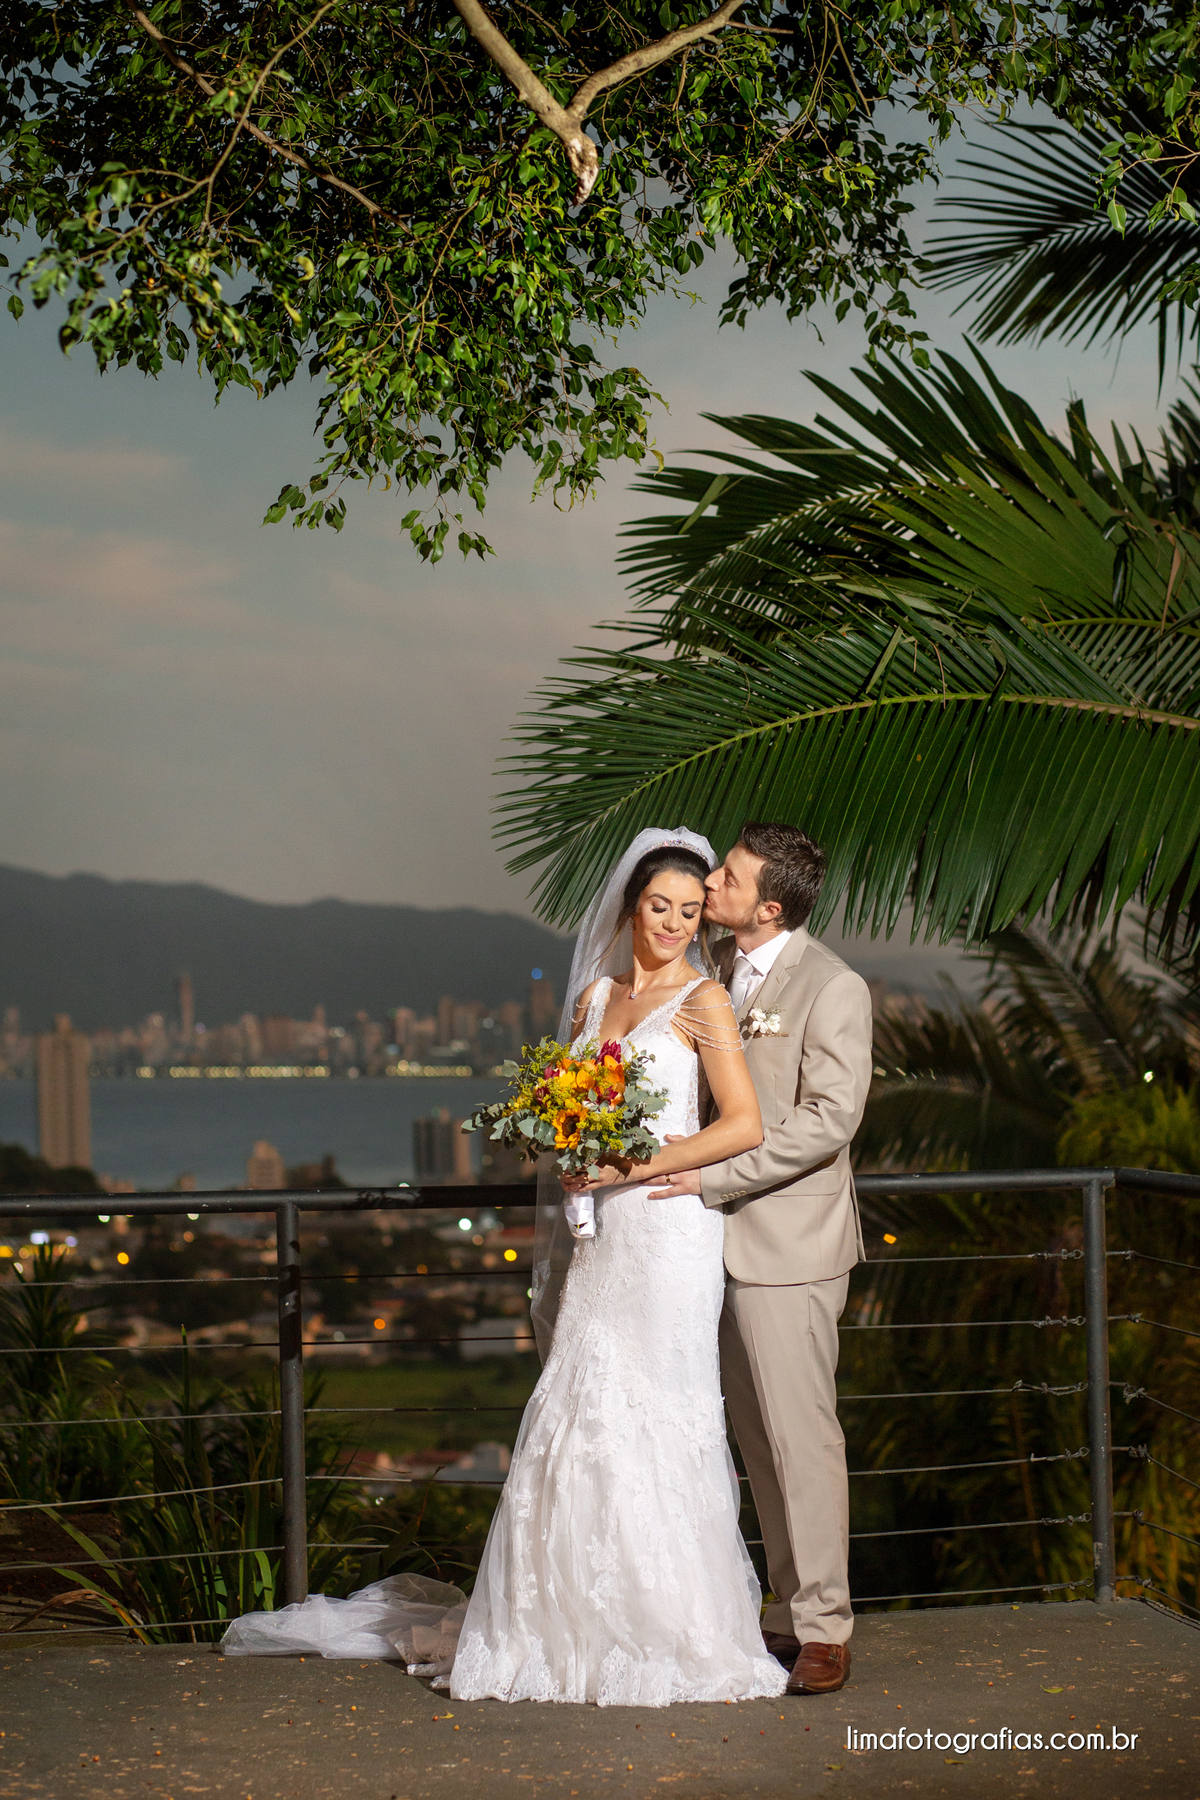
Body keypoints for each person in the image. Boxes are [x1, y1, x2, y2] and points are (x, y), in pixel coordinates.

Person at [222, 828, 787, 1708]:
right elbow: (574, 1112)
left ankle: (675, 1630)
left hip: (670, 1235)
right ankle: (553, 1626)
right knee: (579, 1397)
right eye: (657, 907)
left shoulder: (704, 1001)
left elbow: (744, 1124)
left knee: (664, 1414)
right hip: (604, 1239)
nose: (673, 924)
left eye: (687, 909)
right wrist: (571, 1154)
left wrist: (630, 1165)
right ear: (630, 908)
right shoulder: (593, 999)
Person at [647, 821, 872, 1697]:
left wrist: (712, 1179)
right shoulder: (712, 972)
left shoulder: (832, 985)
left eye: (729, 877)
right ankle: (783, 1612)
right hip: (708, 1246)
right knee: (753, 1439)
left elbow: (829, 1119)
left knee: (800, 1437)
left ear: (768, 904)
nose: (711, 882)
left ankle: (824, 1629)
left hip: (789, 1246)